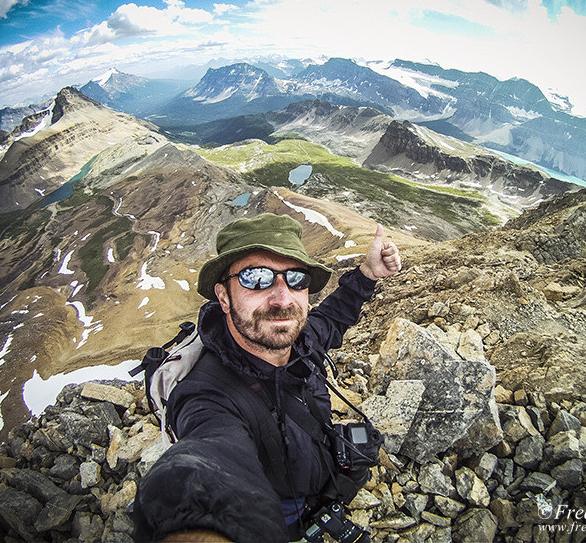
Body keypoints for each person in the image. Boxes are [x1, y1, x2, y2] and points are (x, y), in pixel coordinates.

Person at [133, 213, 401, 543]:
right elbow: (209, 460)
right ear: (223, 296)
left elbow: (332, 318)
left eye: (296, 278)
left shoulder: (300, 342)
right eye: (256, 277)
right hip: (282, 516)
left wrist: (368, 274)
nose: (283, 298)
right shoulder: (208, 395)